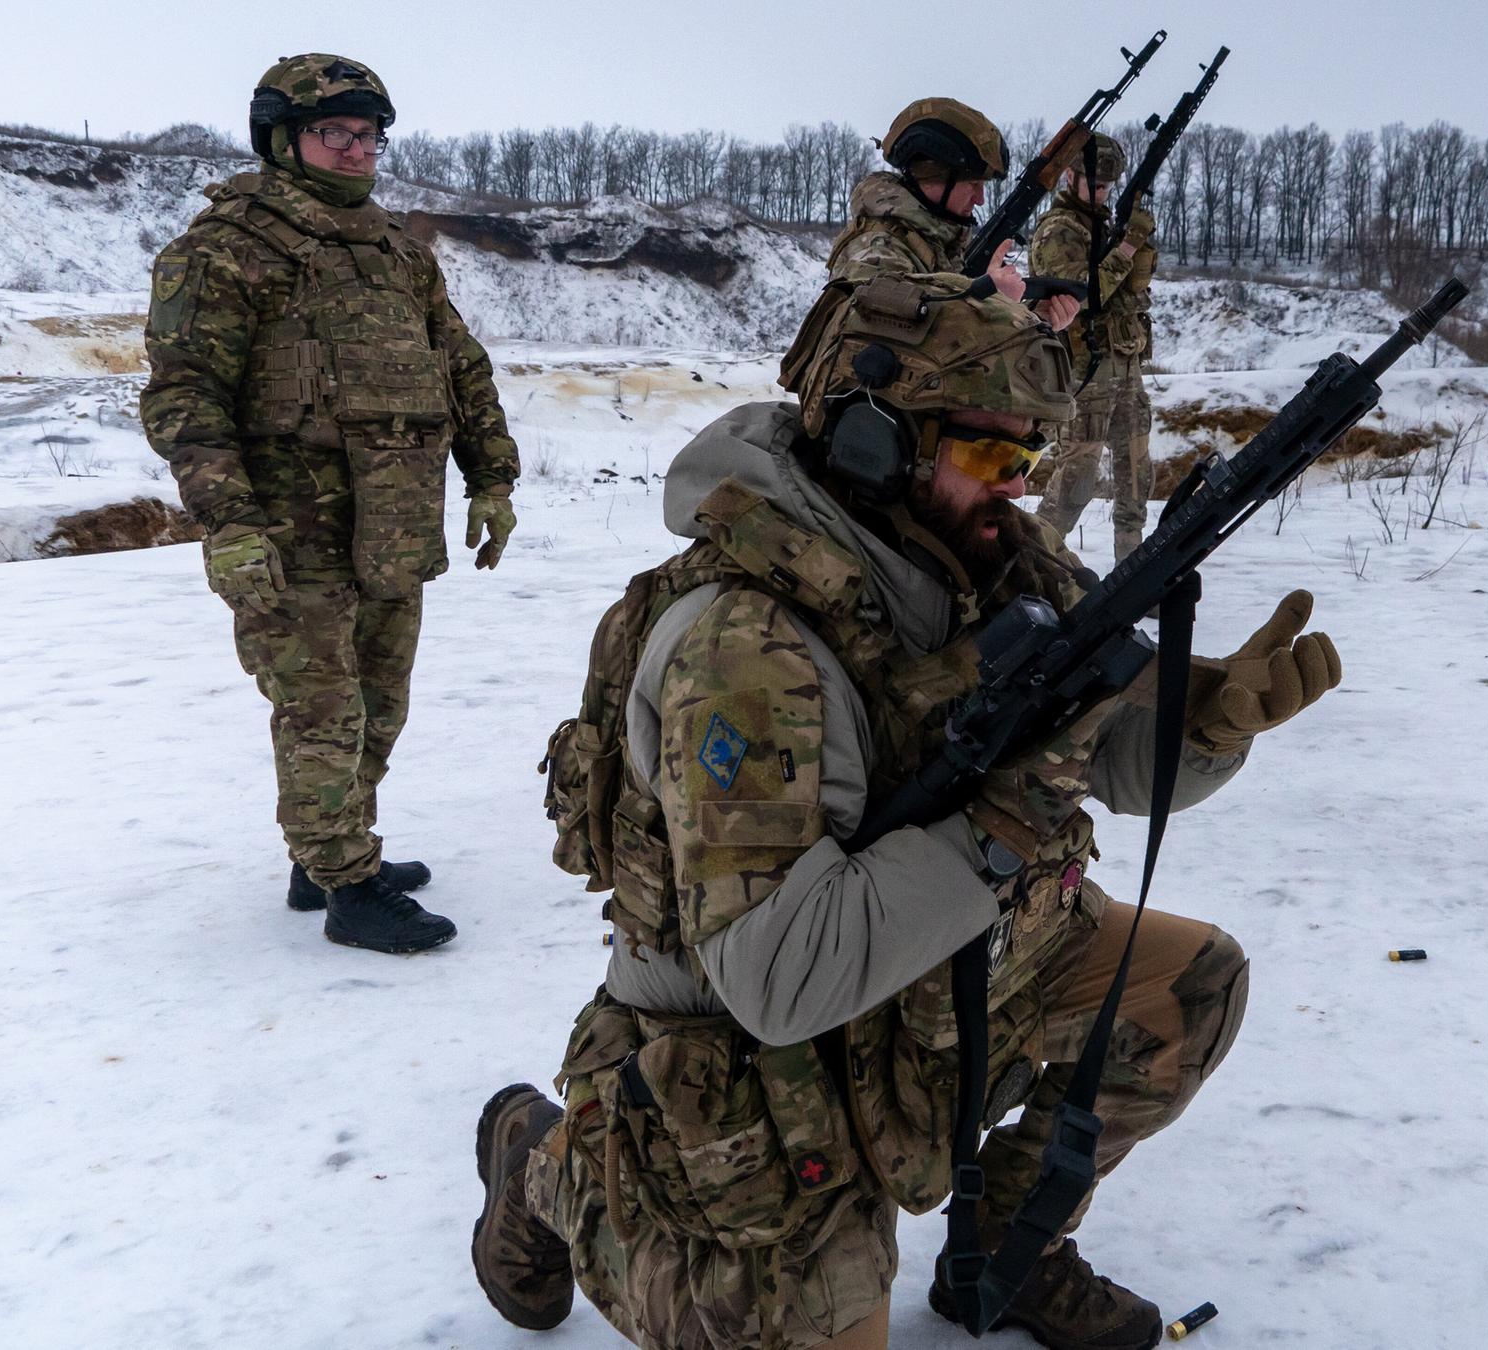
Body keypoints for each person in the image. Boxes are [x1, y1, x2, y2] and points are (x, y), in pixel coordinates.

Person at [470, 274, 1342, 1350]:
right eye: (990, 455)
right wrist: (1002, 828)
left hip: (949, 961)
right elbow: (780, 978)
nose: (1017, 488)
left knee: (1190, 989)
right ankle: (550, 1168)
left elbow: (1105, 763)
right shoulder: (745, 650)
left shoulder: (988, 565)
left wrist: (1208, 731)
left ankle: (1012, 1252)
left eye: (1030, 457)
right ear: (878, 442)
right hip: (745, 1044)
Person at [140, 53, 520, 954]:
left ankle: (328, 857)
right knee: (322, 714)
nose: (358, 152)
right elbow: (186, 398)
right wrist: (229, 525)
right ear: (283, 139)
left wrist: (493, 477)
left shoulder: (396, 254)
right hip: (288, 531)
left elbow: (459, 369)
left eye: (369, 136)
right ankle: (347, 886)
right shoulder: (224, 249)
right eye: (335, 134)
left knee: (381, 705)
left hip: (393, 522)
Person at [828, 97, 1080, 335]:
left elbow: (963, 346)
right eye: (972, 184)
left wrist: (1033, 317)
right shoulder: (877, 250)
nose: (980, 199)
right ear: (934, 175)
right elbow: (885, 349)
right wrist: (994, 303)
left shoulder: (937, 244)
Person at [1031, 133, 1159, 561]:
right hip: (1086, 372)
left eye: (1107, 186)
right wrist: (1126, 248)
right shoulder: (1058, 230)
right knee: (1076, 481)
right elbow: (1085, 295)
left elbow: (1130, 291)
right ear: (1070, 176)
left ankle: (1132, 575)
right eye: (1094, 183)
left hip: (1126, 366)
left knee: (1136, 479)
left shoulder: (1106, 225)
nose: (1101, 192)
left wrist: (1138, 248)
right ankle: (1030, 567)